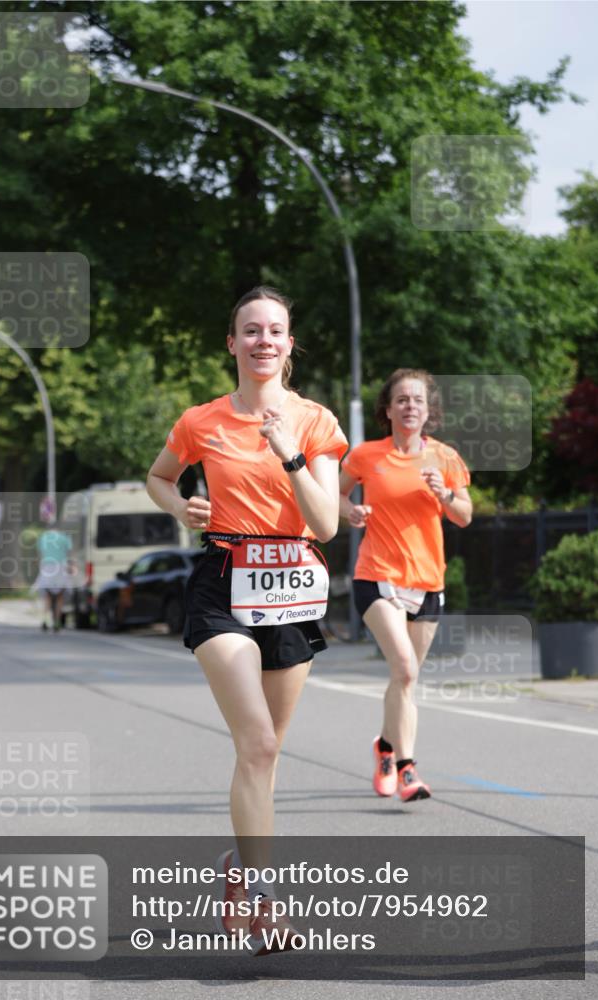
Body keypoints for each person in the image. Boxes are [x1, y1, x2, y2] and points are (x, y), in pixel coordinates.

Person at [146, 286, 348, 953]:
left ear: (290, 344)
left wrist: (288, 451)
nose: (264, 340)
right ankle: (266, 902)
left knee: (265, 753)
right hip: (223, 583)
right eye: (250, 330)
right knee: (257, 743)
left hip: (292, 585)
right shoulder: (201, 420)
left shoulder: (315, 420)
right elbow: (159, 477)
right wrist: (180, 506)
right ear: (231, 343)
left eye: (276, 330)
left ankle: (239, 872)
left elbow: (324, 524)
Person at [339, 369, 472, 802]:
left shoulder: (445, 459)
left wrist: (444, 495)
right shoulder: (366, 456)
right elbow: (334, 496)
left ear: (428, 410)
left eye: (417, 400)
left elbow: (464, 515)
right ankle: (407, 769)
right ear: (388, 409)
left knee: (405, 680)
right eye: (401, 399)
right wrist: (350, 513)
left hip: (428, 580)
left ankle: (384, 744)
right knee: (405, 667)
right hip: (377, 575)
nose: (410, 406)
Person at [33, 527, 74, 632]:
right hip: (61, 568)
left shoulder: (43, 538)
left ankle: (45, 620)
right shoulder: (65, 538)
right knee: (60, 597)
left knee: (47, 597)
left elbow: (39, 555)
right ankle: (57, 622)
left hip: (47, 567)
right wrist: (71, 566)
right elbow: (69, 554)